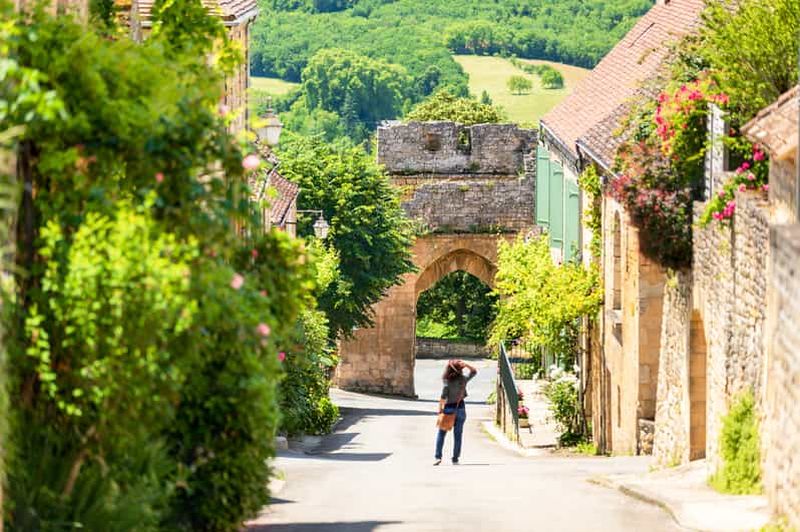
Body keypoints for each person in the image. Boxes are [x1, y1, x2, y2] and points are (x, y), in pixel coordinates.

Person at [434, 358, 477, 465]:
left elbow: (443, 396)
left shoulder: (446, 381)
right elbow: (474, 371)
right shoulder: (463, 379)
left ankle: (438, 457)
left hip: (448, 409)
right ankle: (455, 459)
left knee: (441, 434)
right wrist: (466, 364)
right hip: (461, 408)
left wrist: (440, 410)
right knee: (458, 435)